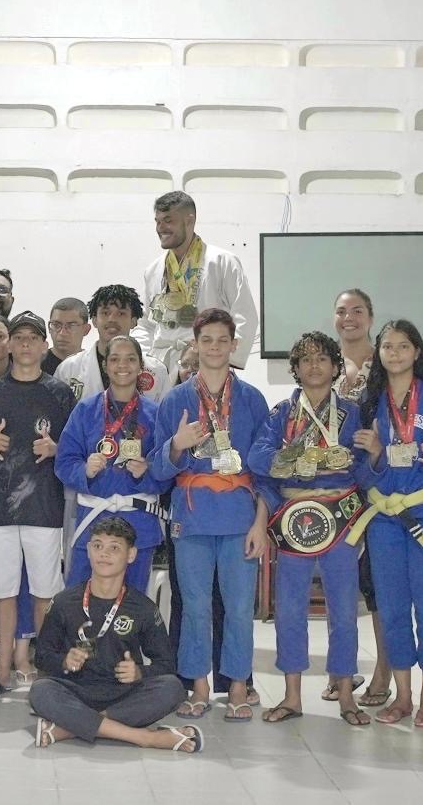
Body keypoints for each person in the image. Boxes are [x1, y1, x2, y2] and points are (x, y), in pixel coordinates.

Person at [248, 331, 373, 726]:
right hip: (294, 520)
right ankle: (292, 695)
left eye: (322, 359)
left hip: (341, 519)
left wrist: (349, 461)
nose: (314, 366)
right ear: (296, 369)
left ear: (336, 367)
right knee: (288, 610)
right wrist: (291, 458)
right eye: (306, 359)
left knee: (344, 610)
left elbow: (366, 464)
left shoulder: (352, 413)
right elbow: (257, 457)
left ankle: (346, 694)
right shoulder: (281, 413)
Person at [151, 308, 269, 722]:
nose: (215, 347)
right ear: (195, 344)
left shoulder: (252, 400)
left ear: (234, 345)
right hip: (193, 516)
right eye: (207, 340)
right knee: (195, 606)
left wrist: (261, 523)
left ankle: (237, 686)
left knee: (239, 607)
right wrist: (177, 444)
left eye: (223, 340)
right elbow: (156, 469)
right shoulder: (176, 399)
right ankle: (198, 686)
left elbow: (266, 470)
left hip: (240, 516)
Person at [347, 319, 423, 728]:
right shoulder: (368, 403)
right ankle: (403, 696)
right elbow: (359, 472)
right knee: (392, 606)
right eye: (387, 347)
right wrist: (376, 454)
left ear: (417, 352)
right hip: (384, 519)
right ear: (378, 354)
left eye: (402, 346)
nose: (394, 353)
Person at [30, 518, 202, 753]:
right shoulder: (63, 601)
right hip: (76, 690)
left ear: (131, 555)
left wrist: (140, 672)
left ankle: (70, 728)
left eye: (114, 548)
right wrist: (64, 661)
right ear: (88, 550)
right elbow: (42, 656)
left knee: (173, 688)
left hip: (123, 693)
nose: (104, 554)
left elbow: (167, 664)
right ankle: (144, 737)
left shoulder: (143, 608)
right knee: (40, 691)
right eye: (97, 546)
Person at [0, 311, 75, 689]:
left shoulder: (60, 393)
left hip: (44, 508)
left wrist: (57, 449)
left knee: (45, 593)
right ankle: (2, 667)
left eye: (34, 338)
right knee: (3, 593)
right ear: (9, 345)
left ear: (45, 346)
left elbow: (74, 451)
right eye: (19, 338)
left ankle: (44, 668)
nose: (26, 344)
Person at [56, 335, 165, 592]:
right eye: (115, 359)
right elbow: (64, 461)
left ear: (141, 367)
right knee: (79, 598)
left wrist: (146, 472)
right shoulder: (86, 410)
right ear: (105, 365)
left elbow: (167, 470)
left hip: (138, 521)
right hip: (94, 520)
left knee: (134, 601)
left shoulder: (155, 414)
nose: (122, 365)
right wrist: (84, 470)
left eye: (130, 359)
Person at [330, 288, 389, 708]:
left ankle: (383, 670)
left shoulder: (385, 363)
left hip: (376, 484)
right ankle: (341, 670)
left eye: (357, 311)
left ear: (370, 317)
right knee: (339, 581)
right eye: (341, 311)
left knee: (375, 581)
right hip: (331, 487)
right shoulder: (323, 363)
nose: (348, 317)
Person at [134, 191, 259, 373]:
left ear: (189, 220)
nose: (160, 228)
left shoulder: (222, 262)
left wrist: (218, 358)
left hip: (208, 364)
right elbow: (147, 324)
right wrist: (147, 362)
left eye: (168, 220)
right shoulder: (153, 270)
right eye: (157, 221)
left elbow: (245, 316)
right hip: (164, 366)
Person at [56, 284, 170, 403]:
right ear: (94, 320)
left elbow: (166, 413)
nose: (112, 319)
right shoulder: (68, 369)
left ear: (134, 321)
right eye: (105, 313)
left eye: (121, 314)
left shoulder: (156, 371)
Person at [44, 297, 91, 376]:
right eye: (56, 325)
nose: (62, 333)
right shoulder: (34, 364)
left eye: (71, 326)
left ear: (86, 329)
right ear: (49, 328)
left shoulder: (93, 366)